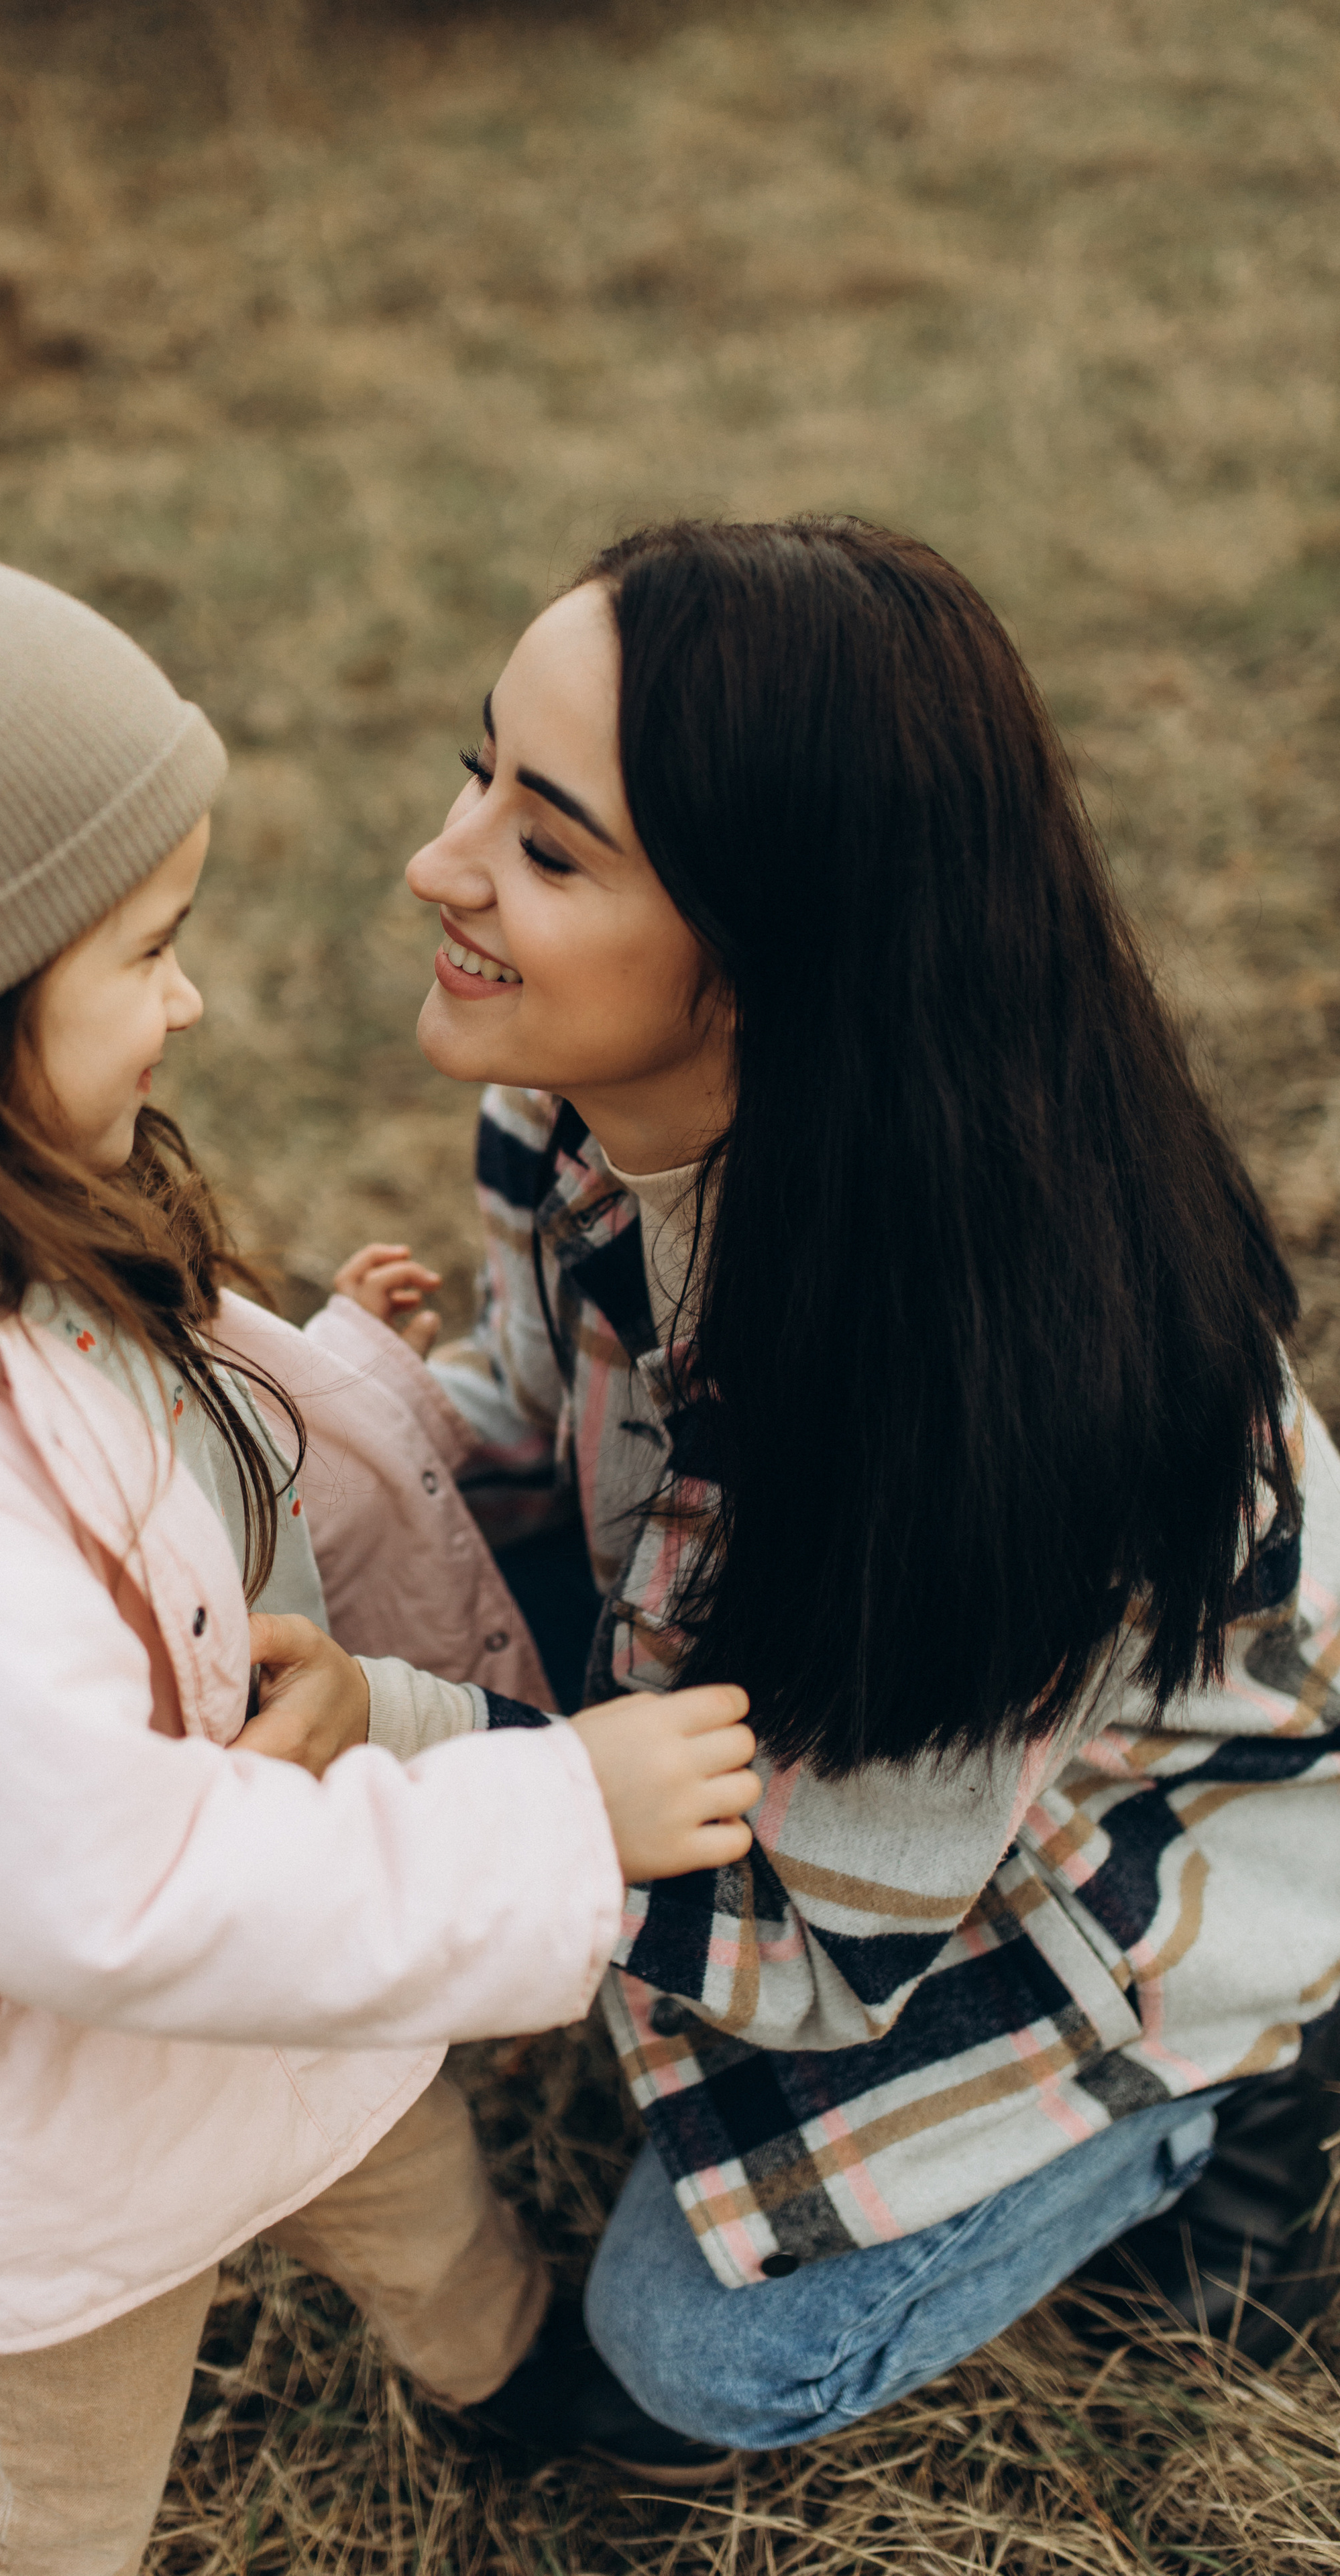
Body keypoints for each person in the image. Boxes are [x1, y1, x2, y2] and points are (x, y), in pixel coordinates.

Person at [0, 461, 767, 2569]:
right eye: (148, 950)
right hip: (53, 2122)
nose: (191, 1002)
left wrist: (342, 1365)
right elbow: (113, 1898)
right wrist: (551, 1812)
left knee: (406, 2184)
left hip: (271, 1979)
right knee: (55, 2489)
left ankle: (511, 2376)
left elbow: (170, 1417)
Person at [384, 515, 1340, 2458]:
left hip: (1134, 1842)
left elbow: (822, 1965)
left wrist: (459, 1778)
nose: (441, 860)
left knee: (701, 2350)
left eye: (549, 847)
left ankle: (1258, 2073)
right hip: (813, 1708)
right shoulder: (567, 1095)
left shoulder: (979, 1391)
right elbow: (527, 1409)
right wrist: (305, 1415)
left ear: (772, 951)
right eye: (480, 769)